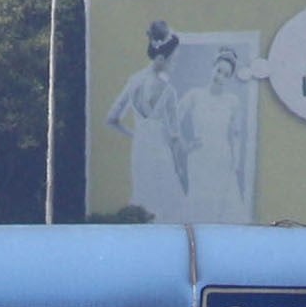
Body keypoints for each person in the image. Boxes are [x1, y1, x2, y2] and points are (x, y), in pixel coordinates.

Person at [103, 21, 190, 223]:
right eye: (172, 60)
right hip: (159, 150)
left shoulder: (134, 80)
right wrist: (181, 169)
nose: (173, 65)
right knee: (166, 203)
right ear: (161, 57)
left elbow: (112, 118)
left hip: (140, 149)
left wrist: (135, 134)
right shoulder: (169, 91)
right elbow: (175, 136)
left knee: (144, 196)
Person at [177, 47, 255, 221]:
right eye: (218, 70)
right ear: (212, 68)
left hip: (222, 158)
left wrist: (235, 164)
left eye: (226, 74)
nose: (219, 77)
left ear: (230, 78)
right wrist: (184, 144)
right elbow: (173, 119)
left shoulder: (232, 101)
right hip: (199, 157)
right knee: (200, 204)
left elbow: (237, 136)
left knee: (224, 205)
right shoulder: (194, 95)